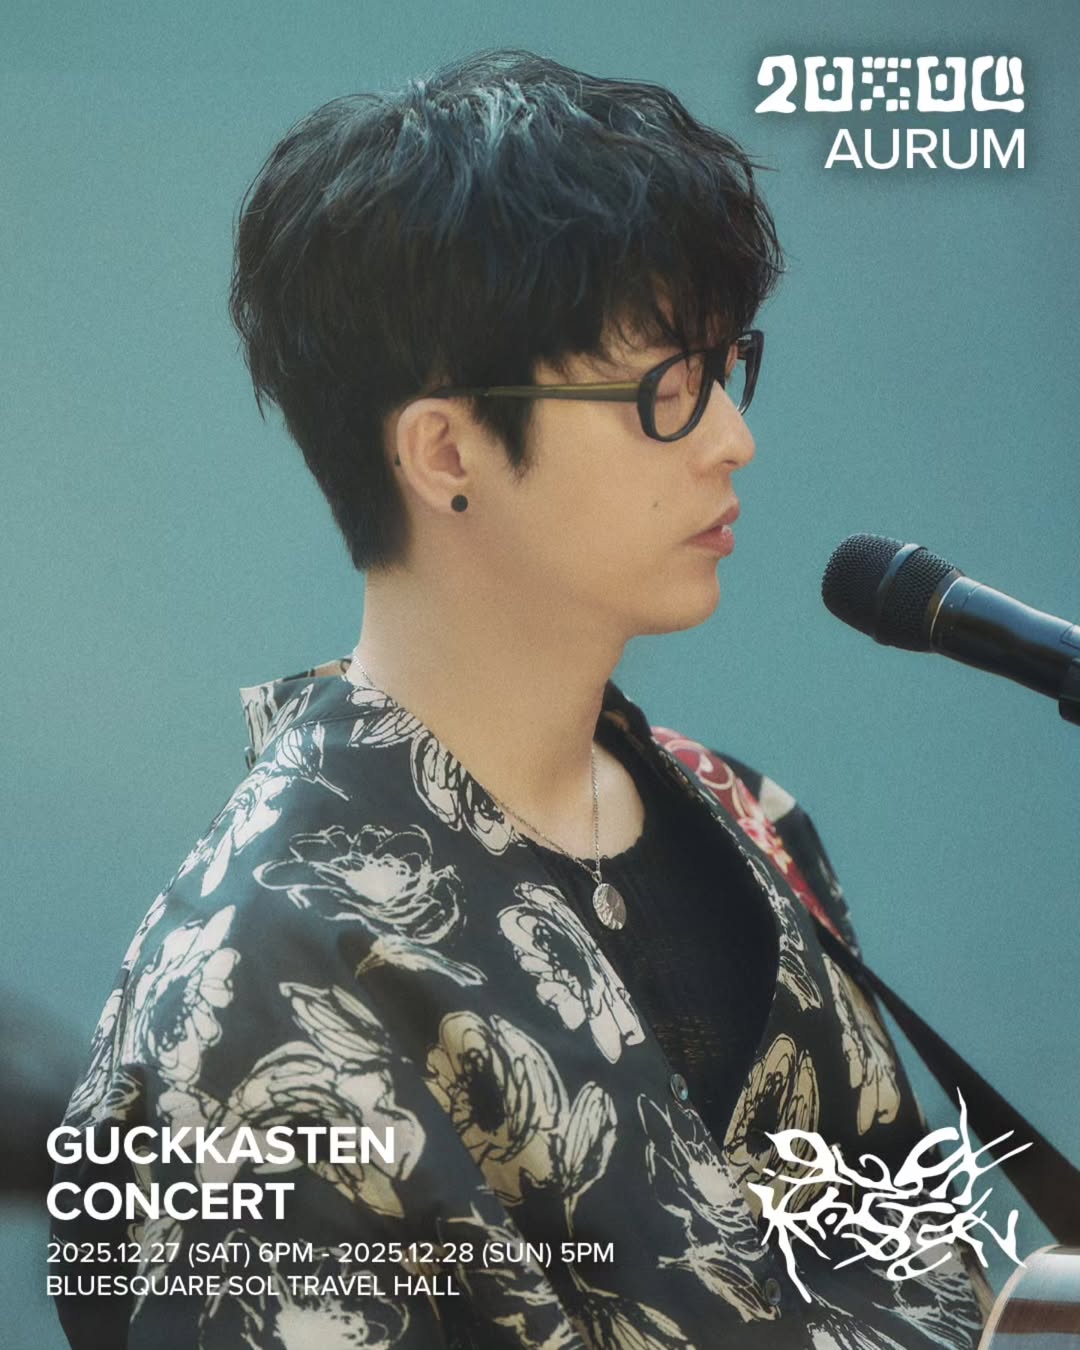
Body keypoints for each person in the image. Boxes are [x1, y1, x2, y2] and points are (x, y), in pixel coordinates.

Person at [53, 50, 994, 1349]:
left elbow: (926, 1276)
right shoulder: (258, 969)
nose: (734, 439)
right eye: (667, 389)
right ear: (446, 450)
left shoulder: (751, 817)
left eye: (728, 369)